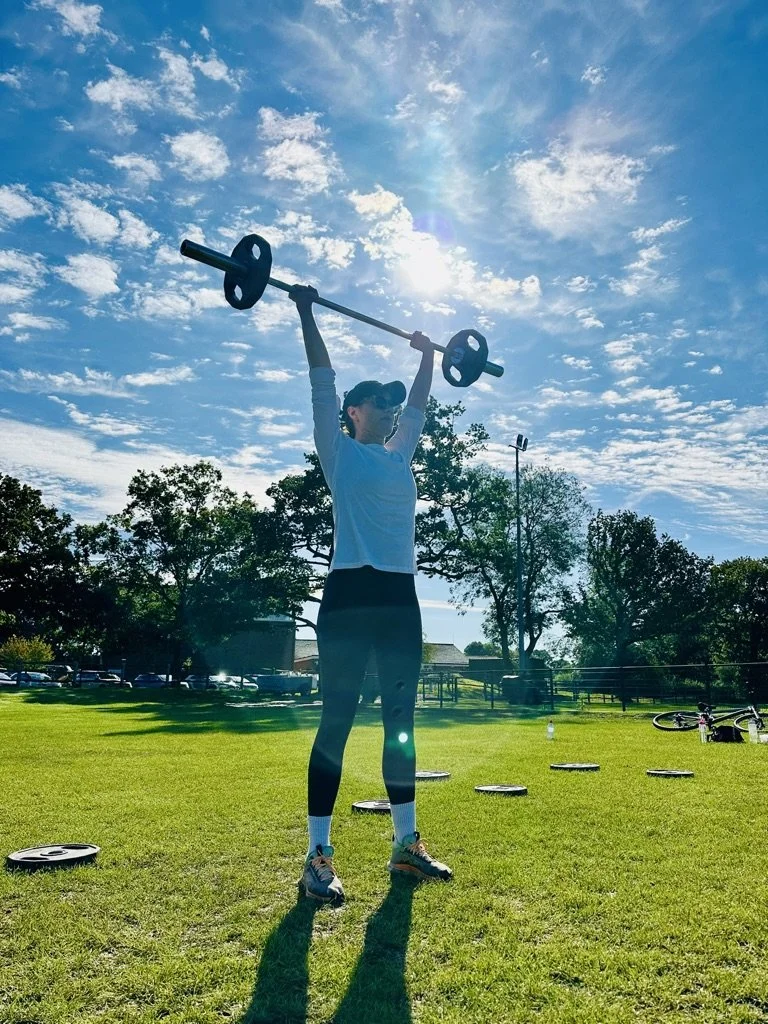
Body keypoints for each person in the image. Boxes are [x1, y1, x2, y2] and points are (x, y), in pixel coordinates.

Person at [289, 283, 453, 904]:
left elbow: (419, 404)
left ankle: (406, 847)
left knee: (400, 723)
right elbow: (321, 378)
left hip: (398, 597)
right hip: (350, 593)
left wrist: (427, 356)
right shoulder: (338, 453)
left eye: (391, 406)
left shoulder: (401, 454)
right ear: (353, 414)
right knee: (336, 720)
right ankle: (319, 855)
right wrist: (305, 310)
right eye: (375, 405)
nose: (389, 411)